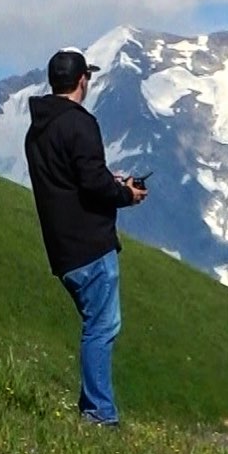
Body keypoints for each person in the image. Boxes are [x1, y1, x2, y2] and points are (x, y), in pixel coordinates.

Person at [24, 48, 148, 427]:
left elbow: (70, 179)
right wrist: (126, 193)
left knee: (96, 324)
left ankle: (93, 407)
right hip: (90, 245)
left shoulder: (38, 129)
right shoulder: (81, 124)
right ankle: (99, 415)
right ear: (82, 81)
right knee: (102, 327)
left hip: (61, 247)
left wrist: (106, 181)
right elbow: (92, 184)